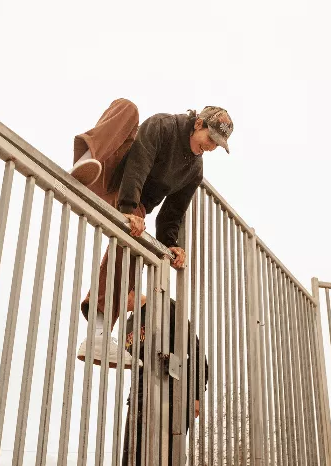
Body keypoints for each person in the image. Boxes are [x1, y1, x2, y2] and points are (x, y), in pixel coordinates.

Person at [70, 99, 233, 367]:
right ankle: (87, 161)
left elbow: (173, 212)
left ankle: (97, 336)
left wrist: (172, 244)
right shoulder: (163, 125)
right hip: (108, 176)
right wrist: (129, 208)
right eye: (210, 138)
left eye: (217, 144)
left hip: (134, 205)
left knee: (136, 248)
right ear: (198, 123)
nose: (211, 147)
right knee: (127, 108)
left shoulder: (194, 170)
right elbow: (138, 163)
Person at [121, 297, 208, 465]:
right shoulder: (128, 324)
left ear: (131, 288)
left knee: (166, 458)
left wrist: (197, 395)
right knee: (132, 459)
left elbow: (195, 350)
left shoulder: (165, 306)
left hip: (170, 395)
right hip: (138, 399)